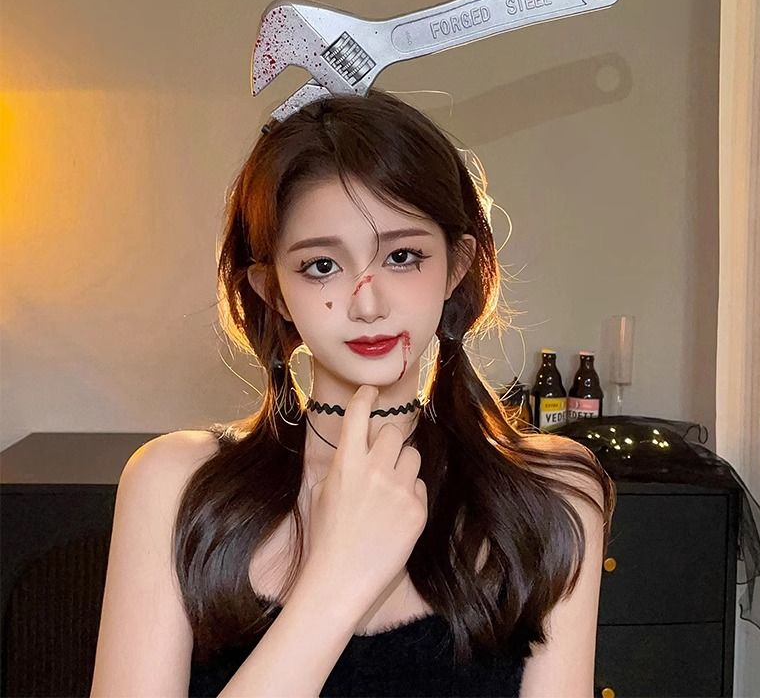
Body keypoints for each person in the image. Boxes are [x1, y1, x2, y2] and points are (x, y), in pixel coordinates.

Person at [90, 89, 616, 697]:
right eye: (321, 266)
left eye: (403, 256)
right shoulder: (174, 484)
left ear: (457, 265)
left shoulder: (552, 495)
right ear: (272, 290)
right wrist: (335, 581)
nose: (368, 304)